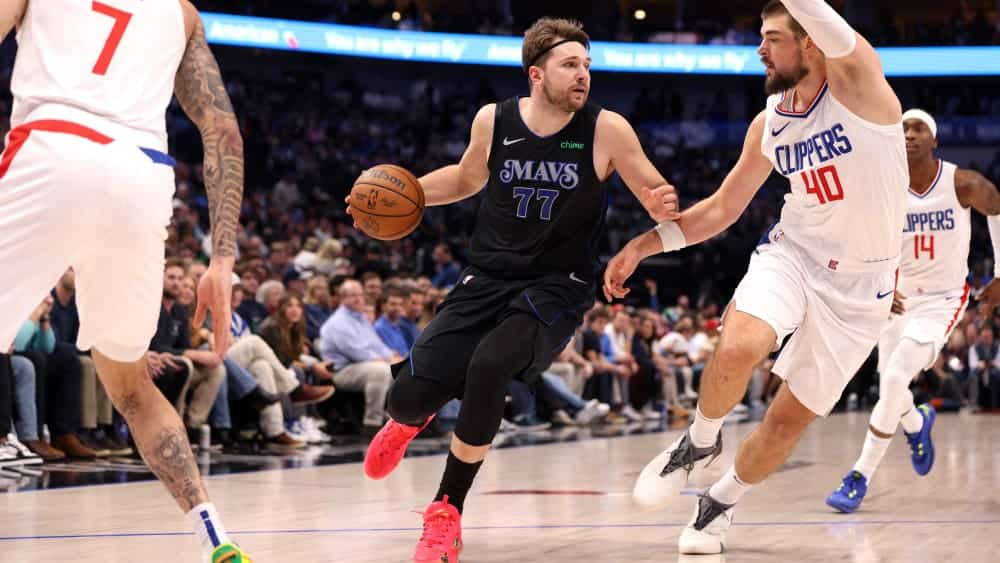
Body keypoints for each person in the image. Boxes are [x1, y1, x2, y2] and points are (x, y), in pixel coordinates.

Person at [349, 17, 681, 562]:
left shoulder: (606, 129)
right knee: (405, 397)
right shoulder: (494, 119)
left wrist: (659, 202)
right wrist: (388, 198)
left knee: (489, 366)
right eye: (570, 65)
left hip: (558, 285)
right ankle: (411, 416)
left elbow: (651, 186)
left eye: (587, 65)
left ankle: (445, 512)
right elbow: (465, 178)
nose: (583, 75)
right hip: (486, 277)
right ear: (536, 73)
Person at [604, 1, 908, 554]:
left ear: (810, 40)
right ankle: (699, 441)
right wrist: (644, 245)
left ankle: (719, 502)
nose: (759, 50)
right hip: (795, 254)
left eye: (772, 37)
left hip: (864, 288)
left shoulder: (860, 87)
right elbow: (723, 209)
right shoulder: (770, 122)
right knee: (740, 343)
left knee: (785, 423)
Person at [0, 1, 249, 561]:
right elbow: (223, 132)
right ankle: (216, 537)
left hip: (53, 147)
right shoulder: (182, 12)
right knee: (132, 387)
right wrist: (222, 260)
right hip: (142, 177)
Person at [826, 109, 1000, 512]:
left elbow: (997, 209)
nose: (909, 134)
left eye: (919, 128)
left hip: (942, 299)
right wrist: (876, 284)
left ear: (934, 140)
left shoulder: (962, 183)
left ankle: (859, 476)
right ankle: (918, 423)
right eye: (903, 128)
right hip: (898, 297)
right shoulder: (885, 190)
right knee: (892, 383)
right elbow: (864, 241)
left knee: (894, 377)